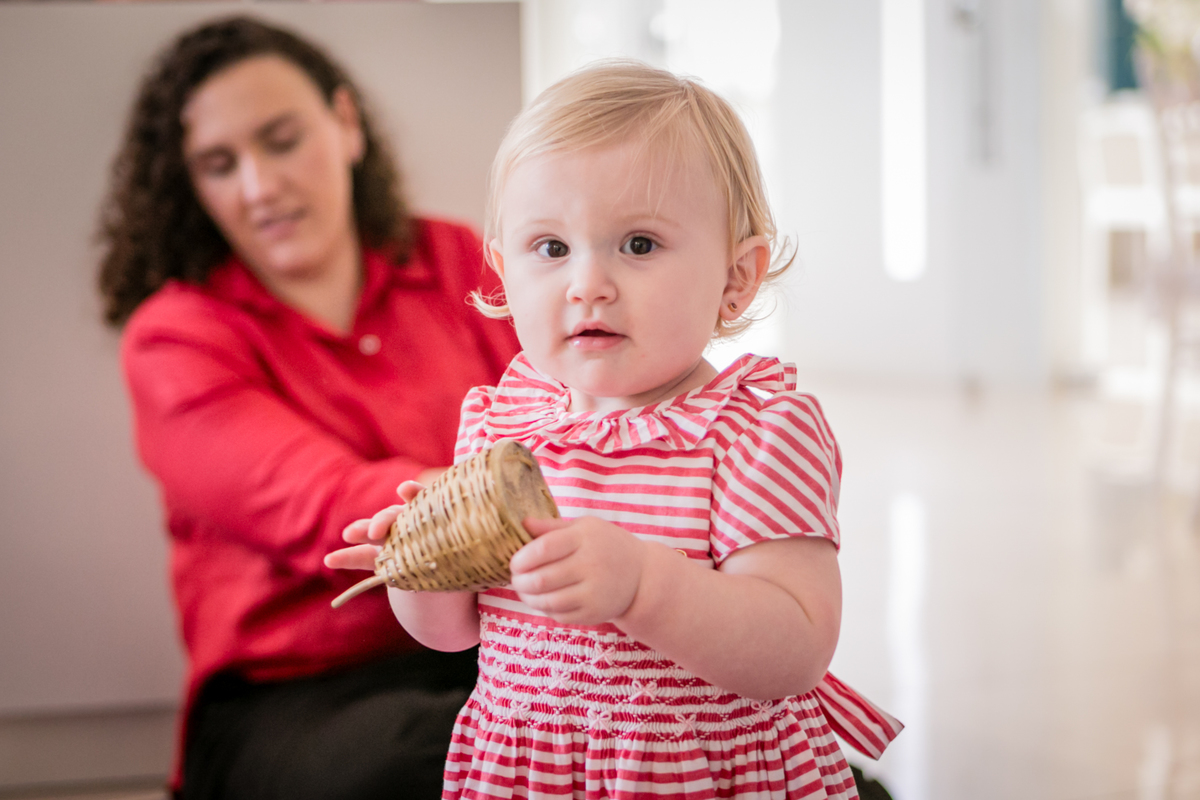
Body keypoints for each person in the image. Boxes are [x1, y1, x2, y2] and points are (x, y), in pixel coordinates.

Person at [327, 60, 901, 799]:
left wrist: (642, 585)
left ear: (736, 277)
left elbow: (795, 651)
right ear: (503, 273)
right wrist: (417, 569)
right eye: (551, 249)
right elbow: (455, 633)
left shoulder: (755, 434)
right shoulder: (503, 427)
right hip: (533, 771)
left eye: (638, 245)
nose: (587, 285)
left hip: (696, 774)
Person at [97, 16, 520, 800]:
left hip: (497, 642)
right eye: (219, 164)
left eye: (282, 140)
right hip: (296, 696)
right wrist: (531, 502)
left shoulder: (457, 260)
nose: (259, 187)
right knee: (465, 756)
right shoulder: (173, 337)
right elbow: (324, 506)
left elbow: (570, 419)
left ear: (346, 125)